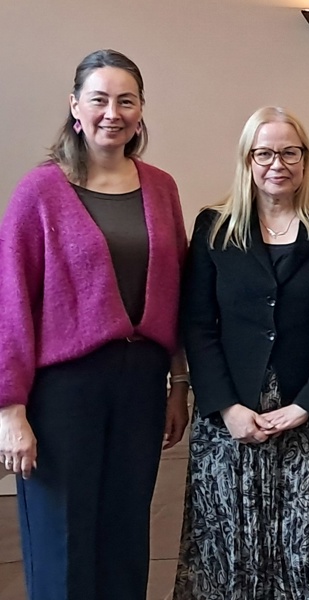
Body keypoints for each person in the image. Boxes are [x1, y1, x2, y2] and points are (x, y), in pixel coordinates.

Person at [0, 49, 190, 599]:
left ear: (141, 110)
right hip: (64, 390)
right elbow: (11, 303)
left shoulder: (161, 187)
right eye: (99, 99)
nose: (113, 112)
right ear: (75, 107)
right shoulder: (40, 191)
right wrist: (10, 410)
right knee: (62, 542)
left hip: (141, 384)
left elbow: (177, 290)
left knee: (126, 537)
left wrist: (179, 384)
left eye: (126, 100)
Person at [173, 106, 309, 599]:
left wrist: (308, 404)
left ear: (305, 159)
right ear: (247, 160)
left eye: (289, 152)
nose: (277, 164)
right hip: (230, 417)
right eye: (264, 153)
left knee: (307, 553)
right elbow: (198, 324)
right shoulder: (214, 227)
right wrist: (226, 407)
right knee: (227, 555)